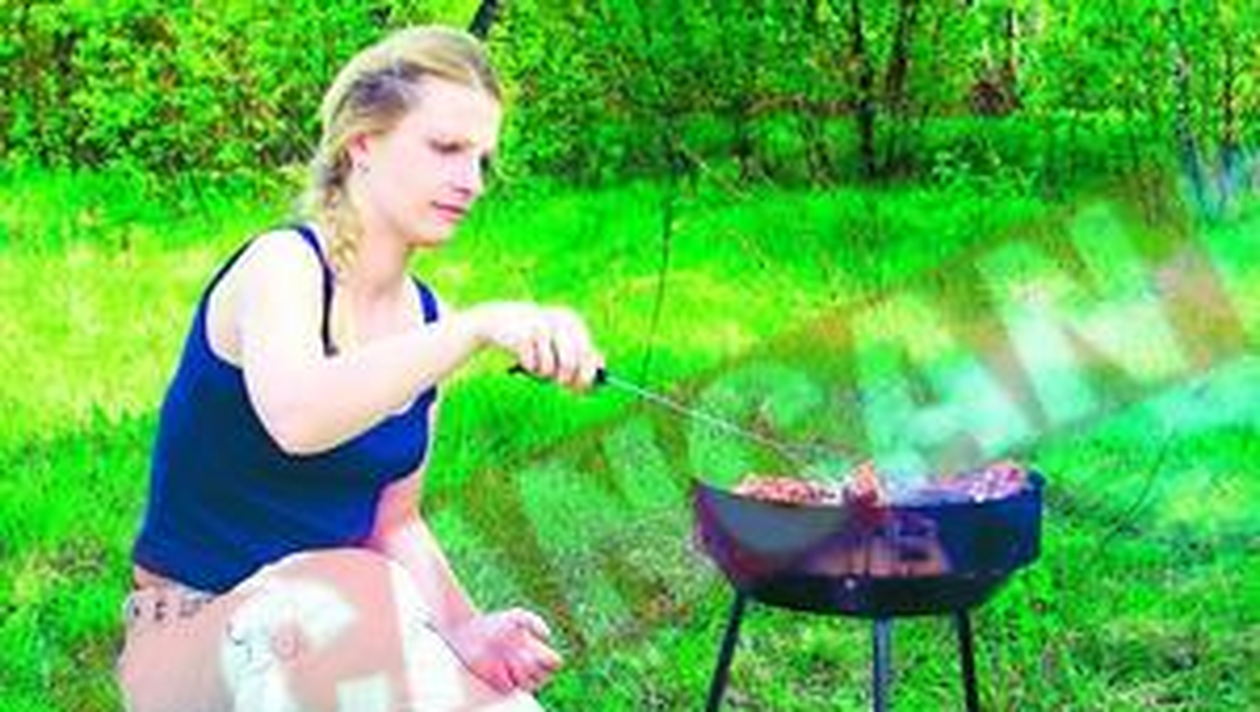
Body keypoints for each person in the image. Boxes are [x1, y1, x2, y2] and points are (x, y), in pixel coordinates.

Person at [116, 25, 604, 712]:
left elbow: (394, 523)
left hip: (339, 627)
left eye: (483, 161)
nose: (470, 182)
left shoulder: (427, 322)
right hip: (197, 632)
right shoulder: (284, 267)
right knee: (356, 586)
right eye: (446, 148)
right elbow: (299, 415)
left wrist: (463, 629)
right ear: (362, 143)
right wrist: (476, 328)